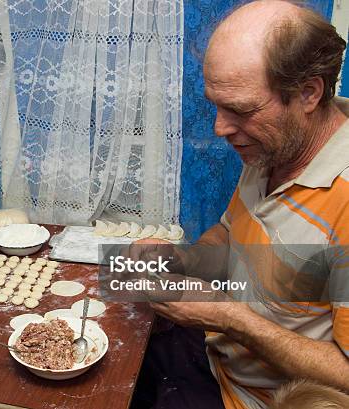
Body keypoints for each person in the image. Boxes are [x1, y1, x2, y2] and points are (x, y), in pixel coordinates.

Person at [132, 1, 349, 408]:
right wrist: (186, 260)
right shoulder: (276, 144)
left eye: (241, 110)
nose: (220, 128)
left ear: (308, 93)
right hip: (216, 352)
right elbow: (231, 233)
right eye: (216, 104)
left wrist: (226, 316)